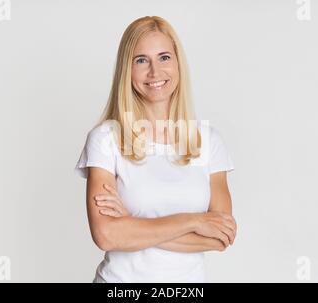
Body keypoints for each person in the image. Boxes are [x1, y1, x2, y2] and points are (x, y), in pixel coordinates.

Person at [74, 16, 237, 283]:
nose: (154, 72)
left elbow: (221, 237)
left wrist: (130, 222)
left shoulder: (208, 141)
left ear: (178, 63)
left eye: (164, 57)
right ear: (127, 69)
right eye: (141, 60)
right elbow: (107, 236)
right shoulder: (106, 139)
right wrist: (193, 221)